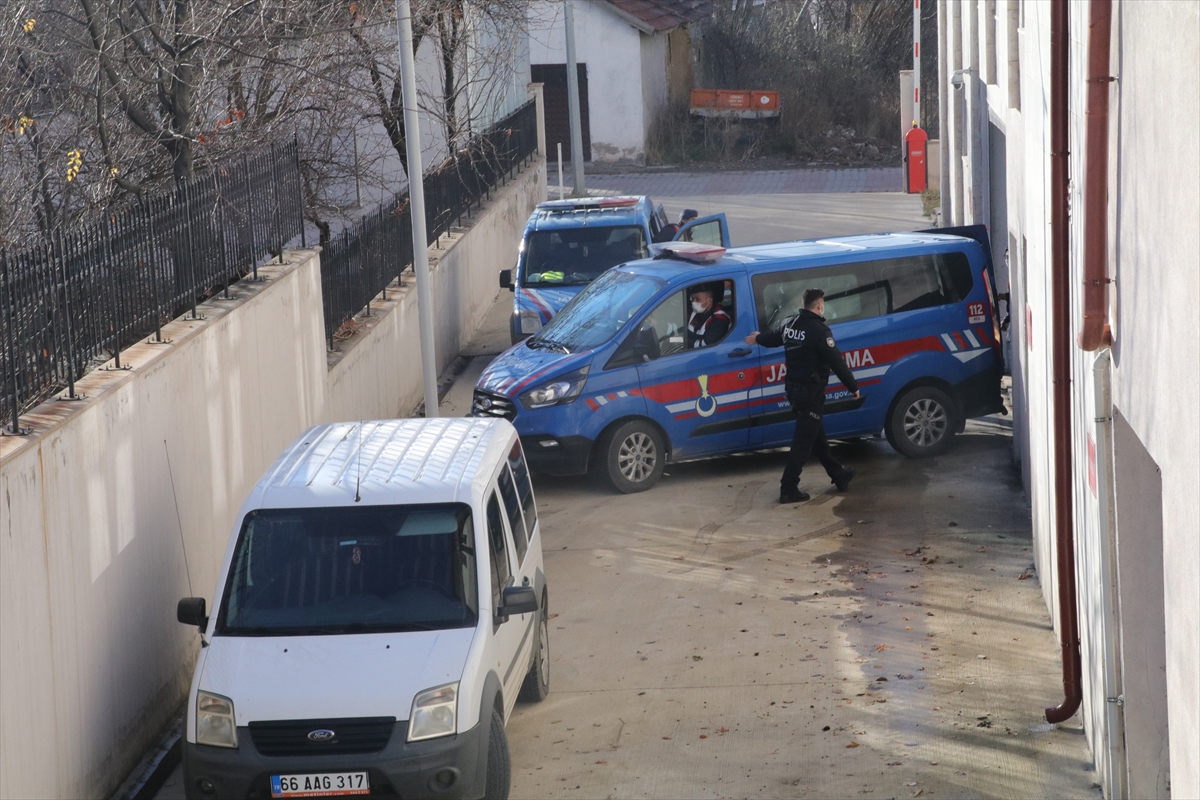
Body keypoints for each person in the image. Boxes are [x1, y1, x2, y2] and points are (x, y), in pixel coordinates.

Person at [745, 288, 858, 503]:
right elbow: (837, 362)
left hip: (794, 392)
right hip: (811, 393)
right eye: (822, 303)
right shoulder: (819, 331)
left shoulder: (790, 324)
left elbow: (772, 338)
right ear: (819, 306)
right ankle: (788, 488)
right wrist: (853, 387)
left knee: (816, 437)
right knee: (803, 443)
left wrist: (758, 338)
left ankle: (839, 475)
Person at [686, 284, 731, 348]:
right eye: (692, 299)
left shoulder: (719, 321)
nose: (694, 302)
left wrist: (682, 342)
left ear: (709, 300)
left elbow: (705, 345)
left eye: (697, 299)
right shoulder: (696, 312)